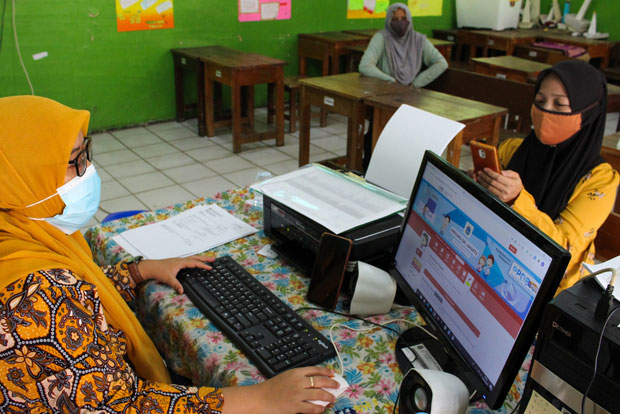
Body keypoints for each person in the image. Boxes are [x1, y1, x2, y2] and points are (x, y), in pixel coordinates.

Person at [0, 95, 339, 413]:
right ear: (20, 179)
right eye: (75, 161)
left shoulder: (21, 235)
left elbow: (81, 295)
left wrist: (137, 271)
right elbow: (122, 407)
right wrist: (260, 397)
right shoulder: (37, 295)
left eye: (86, 152)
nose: (88, 169)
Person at [475, 60, 619, 293]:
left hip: (550, 289)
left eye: (559, 105)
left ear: (588, 112)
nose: (545, 113)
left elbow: (564, 251)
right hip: (498, 261)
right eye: (540, 102)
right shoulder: (512, 150)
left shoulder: (599, 180)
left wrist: (518, 200)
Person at [359, 3, 448, 88]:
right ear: (388, 21)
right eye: (395, 19)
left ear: (409, 19)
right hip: (385, 90)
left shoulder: (418, 40)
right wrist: (391, 81)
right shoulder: (382, 38)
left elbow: (441, 63)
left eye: (404, 18)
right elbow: (365, 66)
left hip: (412, 93)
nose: (400, 23)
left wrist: (416, 83)